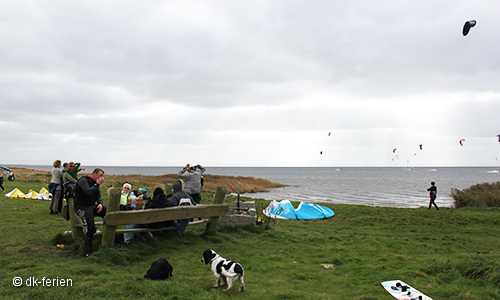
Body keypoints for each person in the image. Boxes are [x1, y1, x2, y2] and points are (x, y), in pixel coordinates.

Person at [74, 168, 107, 257]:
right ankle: (88, 251)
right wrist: (97, 184)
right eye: (100, 176)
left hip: (91, 206)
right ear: (95, 174)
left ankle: (110, 237)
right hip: (82, 207)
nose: (101, 178)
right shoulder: (83, 180)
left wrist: (100, 203)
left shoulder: (95, 184)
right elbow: (88, 191)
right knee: (90, 226)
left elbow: (98, 196)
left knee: (106, 211)